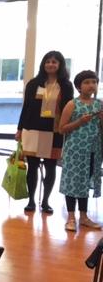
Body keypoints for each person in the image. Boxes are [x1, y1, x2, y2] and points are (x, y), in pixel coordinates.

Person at [16, 50, 73, 214]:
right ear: (43, 64)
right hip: (32, 129)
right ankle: (31, 200)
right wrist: (20, 129)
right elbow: (26, 107)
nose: (51, 64)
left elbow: (68, 110)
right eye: (48, 61)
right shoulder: (33, 83)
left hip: (54, 132)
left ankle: (46, 201)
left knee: (51, 167)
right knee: (32, 167)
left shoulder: (66, 85)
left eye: (54, 62)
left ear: (60, 65)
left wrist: (66, 129)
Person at [58, 70, 103, 232]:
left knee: (85, 182)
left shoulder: (99, 104)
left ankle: (84, 217)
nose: (91, 85)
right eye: (87, 82)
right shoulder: (72, 104)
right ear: (79, 86)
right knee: (72, 182)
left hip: (93, 149)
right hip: (75, 149)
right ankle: (70, 217)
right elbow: (61, 128)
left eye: (94, 82)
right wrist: (80, 121)